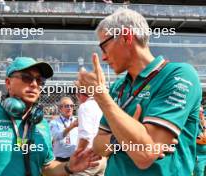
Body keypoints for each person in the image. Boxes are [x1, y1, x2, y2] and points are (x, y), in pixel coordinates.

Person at [76, 8, 202, 176]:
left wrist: (102, 97)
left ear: (126, 37)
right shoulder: (118, 87)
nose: (103, 57)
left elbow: (144, 154)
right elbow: (99, 146)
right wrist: (123, 138)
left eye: (104, 46)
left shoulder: (179, 74)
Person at [0, 57, 100, 176]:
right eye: (26, 77)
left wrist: (69, 167)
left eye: (40, 80)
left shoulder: (41, 124)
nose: (34, 84)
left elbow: (47, 167)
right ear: (8, 83)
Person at [73, 93, 106, 176]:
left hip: (88, 157)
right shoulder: (102, 105)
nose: (78, 98)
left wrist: (79, 157)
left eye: (77, 94)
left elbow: (86, 135)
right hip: (102, 156)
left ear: (81, 94)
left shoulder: (85, 106)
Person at [50, 96, 78, 162]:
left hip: (75, 157)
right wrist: (71, 127)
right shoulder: (54, 122)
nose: (69, 108)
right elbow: (57, 136)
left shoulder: (77, 121)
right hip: (60, 158)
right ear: (60, 108)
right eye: (67, 106)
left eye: (71, 106)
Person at [194, 106, 206, 176]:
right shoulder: (194, 124)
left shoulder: (204, 123)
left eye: (202, 112)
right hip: (199, 157)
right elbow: (199, 140)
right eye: (200, 112)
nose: (202, 114)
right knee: (199, 174)